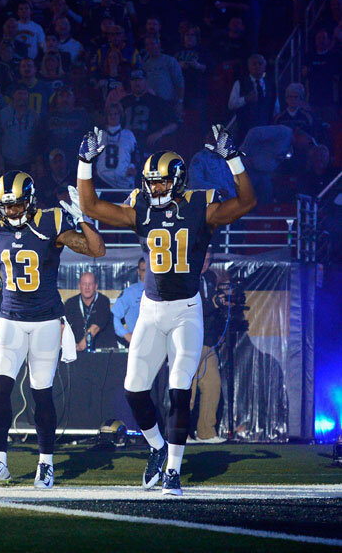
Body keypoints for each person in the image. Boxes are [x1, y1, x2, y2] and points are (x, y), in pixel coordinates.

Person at [76, 124, 256, 496]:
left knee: (178, 388)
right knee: (134, 390)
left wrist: (234, 160)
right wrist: (84, 164)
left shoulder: (199, 205)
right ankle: (158, 447)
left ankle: (173, 469)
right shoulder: (140, 206)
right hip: (152, 310)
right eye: (151, 182)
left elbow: (247, 203)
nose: (154, 189)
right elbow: (91, 206)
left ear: (177, 180)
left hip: (186, 311)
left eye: (160, 182)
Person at [0, 153, 104, 488]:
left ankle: (45, 463)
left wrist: (83, 219)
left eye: (15, 206)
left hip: (44, 321)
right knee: (0, 390)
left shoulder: (50, 222)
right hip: (10, 318)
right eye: (5, 206)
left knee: (41, 393)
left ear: (29, 201)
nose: (9, 212)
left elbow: (96, 249)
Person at [188, 251, 224, 444]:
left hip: (207, 342)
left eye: (208, 259)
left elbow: (213, 309)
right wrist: (213, 304)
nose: (205, 263)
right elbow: (192, 307)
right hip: (188, 341)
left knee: (212, 385)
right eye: (202, 258)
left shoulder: (210, 278)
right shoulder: (185, 276)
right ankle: (182, 433)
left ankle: (206, 432)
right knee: (188, 390)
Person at [227, 54, 278, 138]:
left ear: (264, 66)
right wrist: (245, 99)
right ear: (249, 66)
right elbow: (231, 104)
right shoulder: (240, 83)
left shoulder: (270, 85)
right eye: (254, 64)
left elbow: (276, 107)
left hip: (265, 129)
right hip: (245, 131)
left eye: (260, 64)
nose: (257, 66)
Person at [64, 272, 116, 352]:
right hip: (75, 352)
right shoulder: (70, 303)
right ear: (79, 286)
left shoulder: (103, 301)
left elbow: (95, 328)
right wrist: (66, 345)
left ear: (96, 286)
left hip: (100, 352)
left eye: (90, 284)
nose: (87, 287)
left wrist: (80, 347)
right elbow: (62, 327)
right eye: (84, 284)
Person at [111, 258, 147, 347]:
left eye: (149, 270)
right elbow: (113, 316)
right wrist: (126, 335)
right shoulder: (130, 293)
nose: (147, 274)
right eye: (143, 270)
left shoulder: (163, 292)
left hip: (159, 344)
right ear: (138, 272)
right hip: (137, 344)